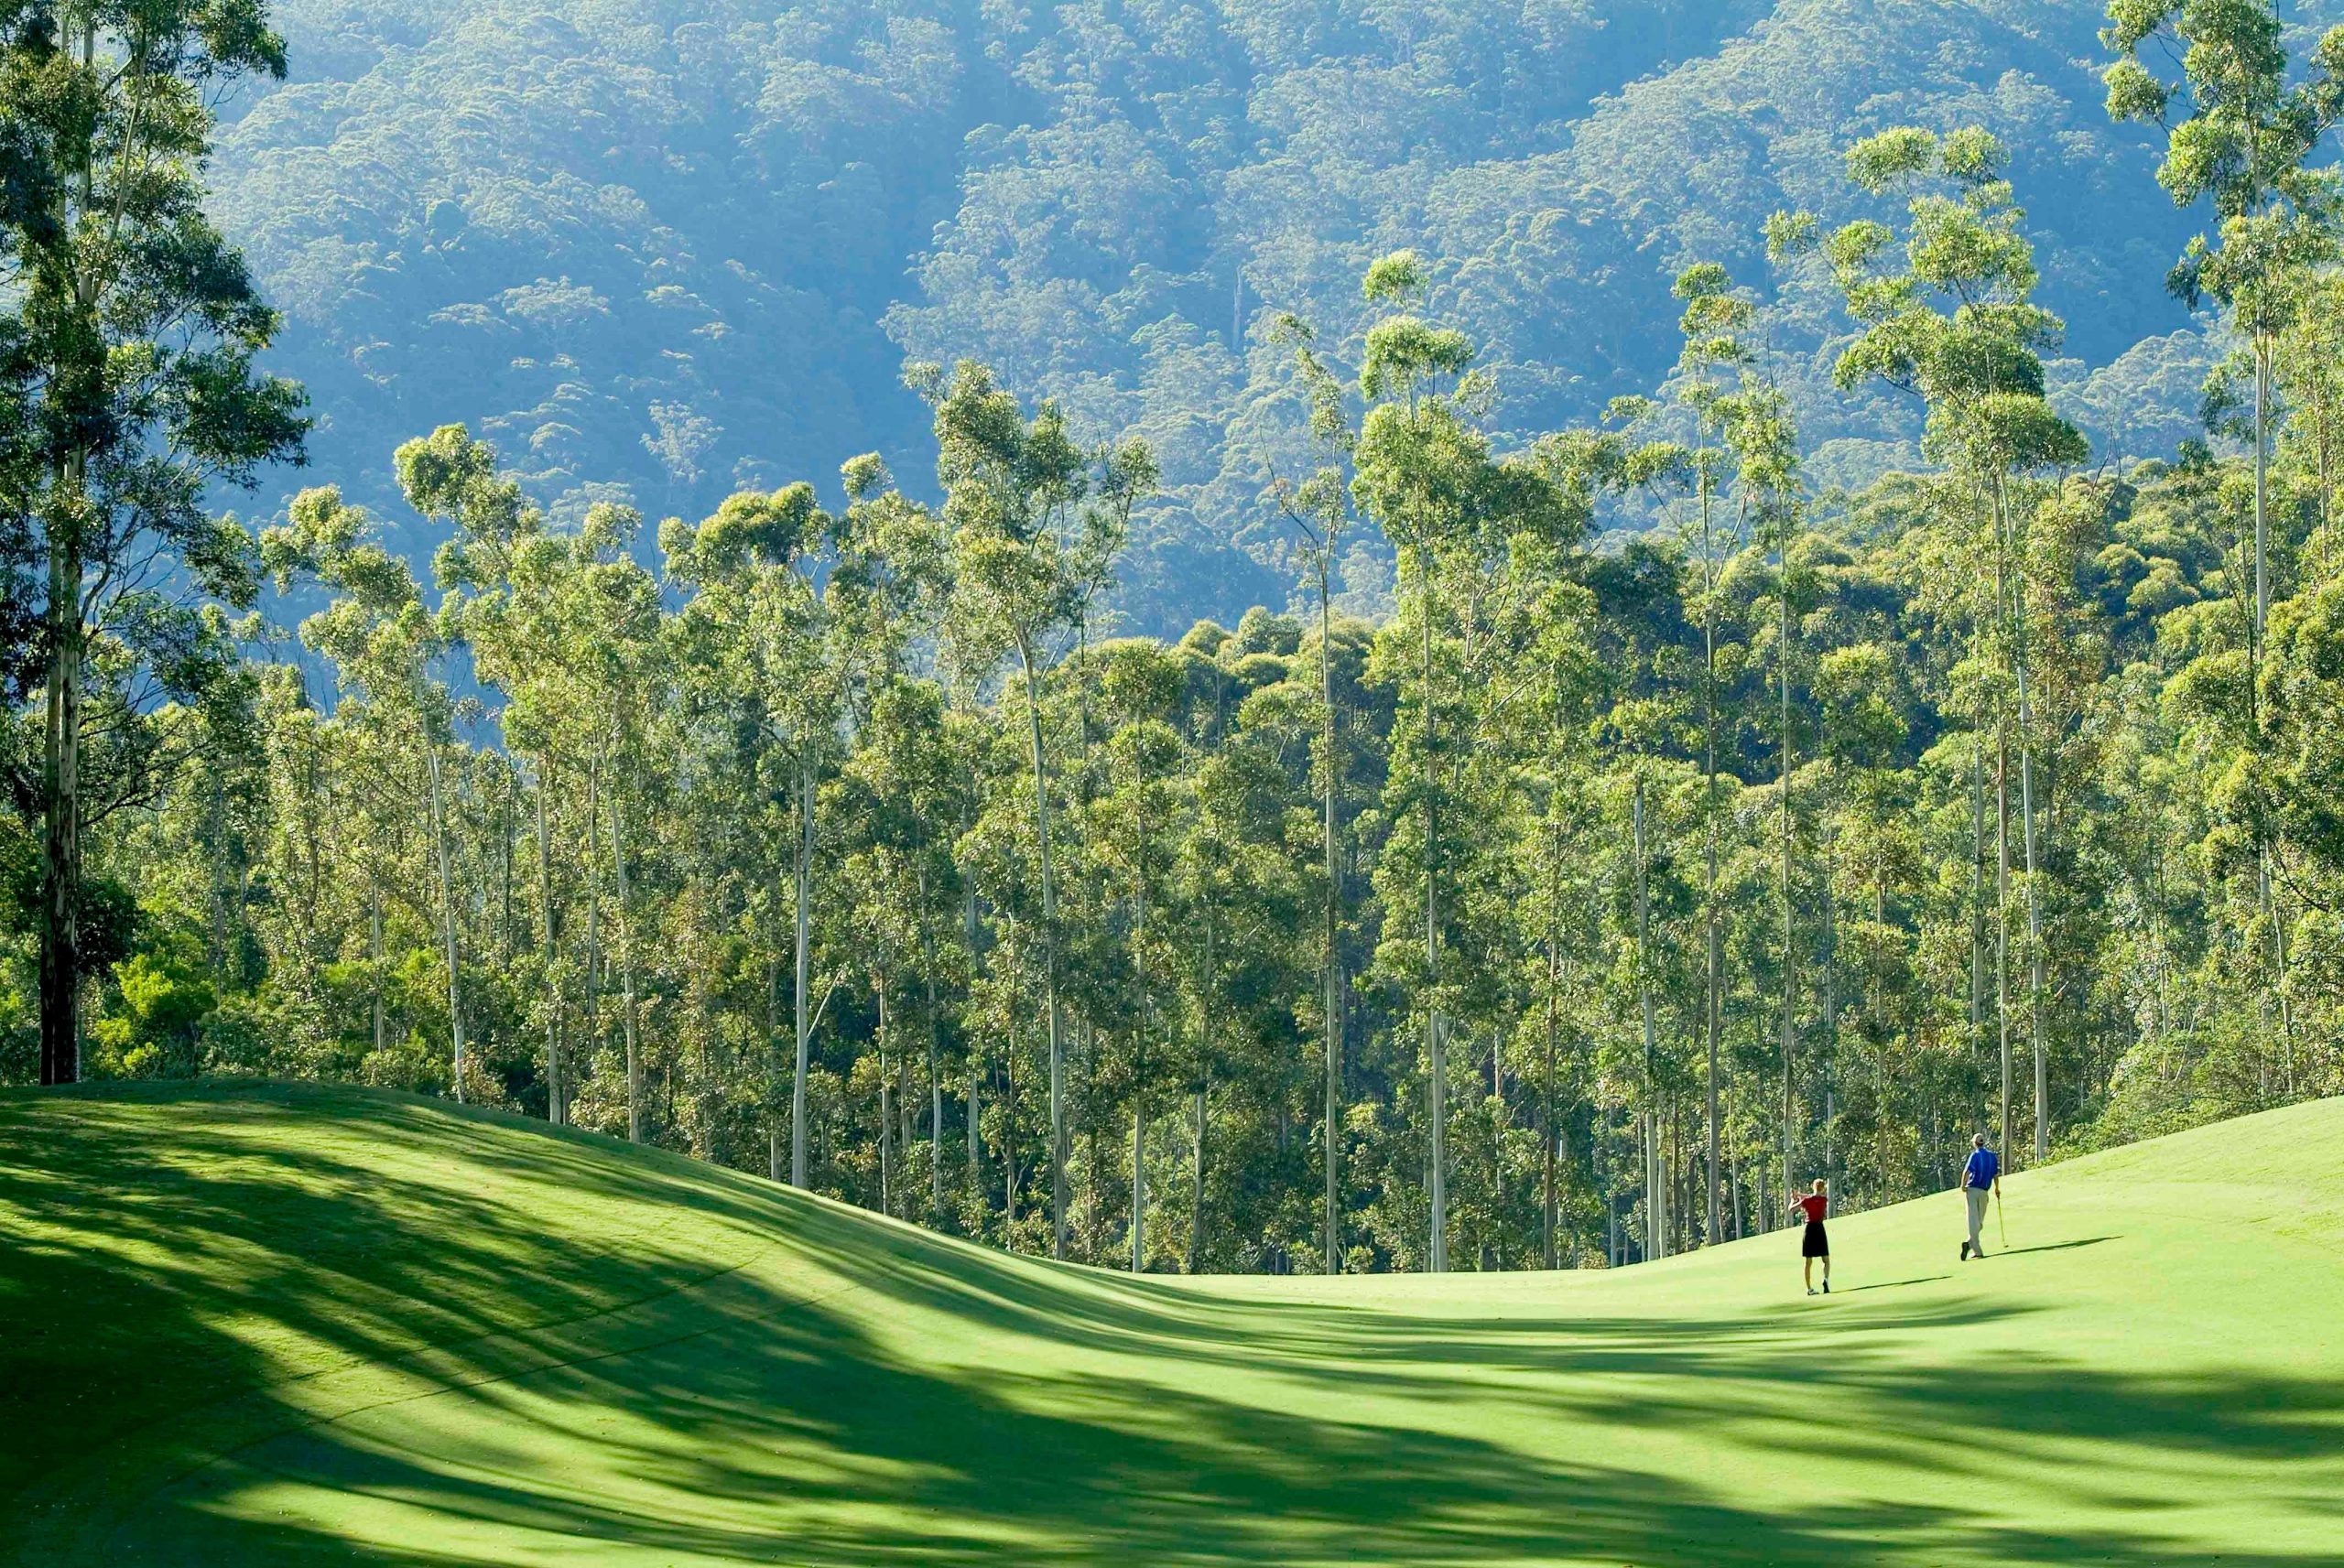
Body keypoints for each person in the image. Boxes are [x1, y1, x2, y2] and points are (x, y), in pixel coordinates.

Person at [1959, 1132, 1999, 1260]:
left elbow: (1967, 1171)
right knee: (1978, 1222)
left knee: (1975, 1222)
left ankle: (1969, 1244)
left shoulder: (1975, 1155)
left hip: (1972, 1190)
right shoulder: (1992, 1156)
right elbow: (1995, 1175)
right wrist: (1997, 1188)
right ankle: (1977, 1250)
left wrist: (1962, 1185)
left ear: (1975, 1143)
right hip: (1984, 1191)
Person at [1788, 1179, 1830, 1294]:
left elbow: (1791, 1209)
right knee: (1825, 1259)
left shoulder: (1807, 1201)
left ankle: (1809, 1288)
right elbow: (1814, 1196)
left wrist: (1793, 1199)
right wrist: (1799, 1195)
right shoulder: (1823, 1200)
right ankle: (1825, 1279)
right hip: (1820, 1229)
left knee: (1808, 1261)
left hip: (1809, 1230)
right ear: (1823, 1189)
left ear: (1813, 1187)